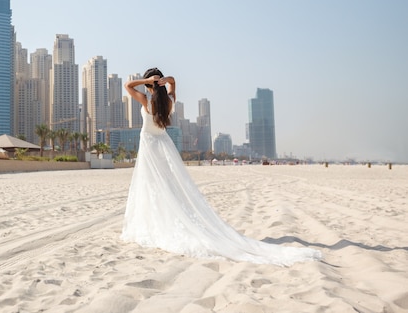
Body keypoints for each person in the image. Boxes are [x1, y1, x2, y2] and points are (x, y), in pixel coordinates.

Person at [120, 67, 322, 266]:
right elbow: (173, 86)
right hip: (163, 146)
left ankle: (157, 223)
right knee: (167, 186)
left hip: (150, 147)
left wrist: (146, 82)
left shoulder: (146, 101)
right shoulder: (169, 103)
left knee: (152, 186)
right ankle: (162, 221)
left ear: (150, 85)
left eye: (149, 84)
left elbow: (127, 85)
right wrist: (168, 79)